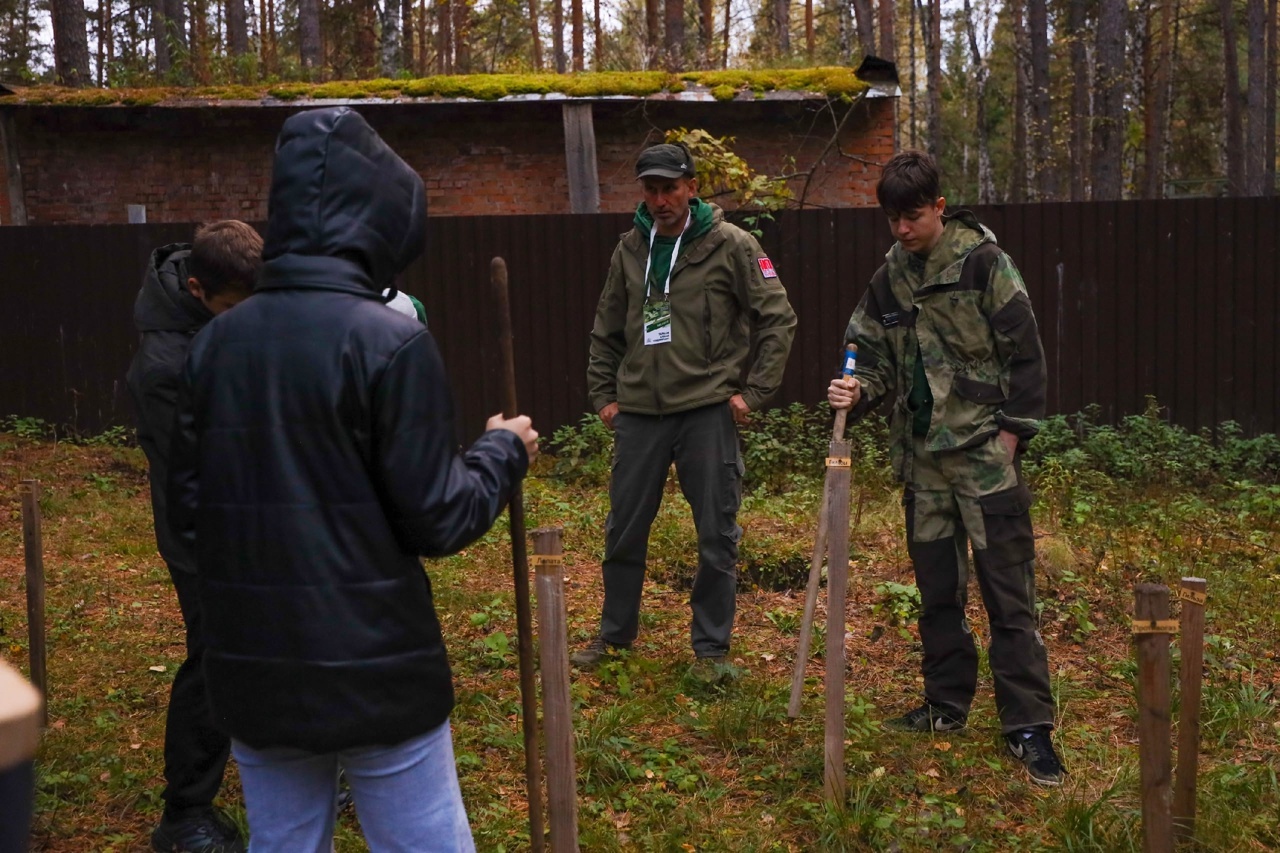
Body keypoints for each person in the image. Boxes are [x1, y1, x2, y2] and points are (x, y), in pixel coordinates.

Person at [167, 106, 538, 851]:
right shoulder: (391, 342)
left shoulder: (215, 346)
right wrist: (501, 452)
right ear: (380, 218)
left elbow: (192, 506)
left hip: (256, 668)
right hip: (376, 676)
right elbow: (439, 517)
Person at [827, 150, 1064, 786]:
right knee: (938, 591)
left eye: (911, 217)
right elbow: (866, 350)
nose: (901, 230)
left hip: (985, 458)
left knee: (1008, 595)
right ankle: (946, 703)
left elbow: (1027, 354)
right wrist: (858, 389)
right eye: (891, 220)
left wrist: (1014, 434)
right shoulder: (890, 278)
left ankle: (1029, 726)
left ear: (938, 206)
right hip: (922, 461)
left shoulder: (985, 264)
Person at [574, 142, 796, 676]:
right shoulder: (630, 249)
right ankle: (615, 636)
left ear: (692, 188)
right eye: (650, 190)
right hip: (640, 417)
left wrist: (754, 393)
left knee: (715, 534)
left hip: (705, 412)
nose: (660, 200)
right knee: (623, 530)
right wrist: (604, 396)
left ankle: (711, 651)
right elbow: (606, 331)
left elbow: (779, 318)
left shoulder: (733, 245)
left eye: (670, 188)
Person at [126, 219, 263, 853]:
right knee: (215, 654)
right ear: (197, 287)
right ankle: (184, 812)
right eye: (234, 308)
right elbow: (188, 473)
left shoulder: (217, 316)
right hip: (202, 527)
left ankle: (291, 755)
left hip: (252, 513)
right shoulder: (164, 365)